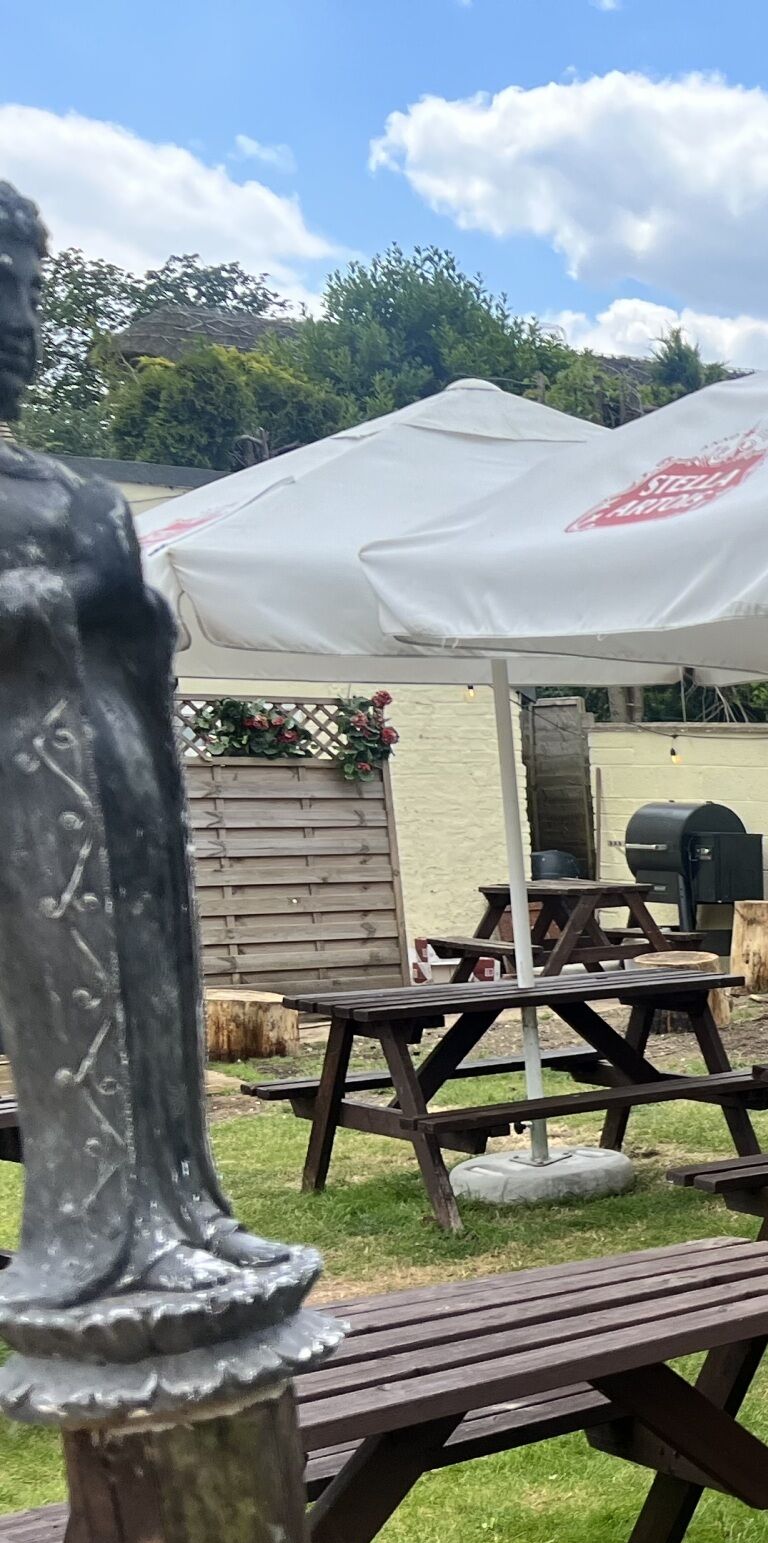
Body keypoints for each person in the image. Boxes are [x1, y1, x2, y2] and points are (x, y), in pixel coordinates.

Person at [0, 178, 330, 1419]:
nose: (20, 325)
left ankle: (182, 1202)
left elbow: (135, 643)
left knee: (154, 989)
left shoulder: (76, 496)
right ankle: (98, 1237)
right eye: (1, 297)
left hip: (121, 778)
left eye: (25, 296)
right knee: (72, 1009)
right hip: (26, 804)